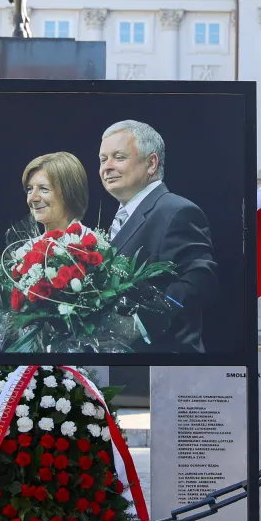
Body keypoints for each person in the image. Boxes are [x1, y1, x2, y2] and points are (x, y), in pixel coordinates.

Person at [97, 120, 217, 352]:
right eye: (103, 159)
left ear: (152, 163)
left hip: (166, 363)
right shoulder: (117, 218)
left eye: (118, 157)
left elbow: (201, 282)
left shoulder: (176, 210)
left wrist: (138, 324)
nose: (107, 167)